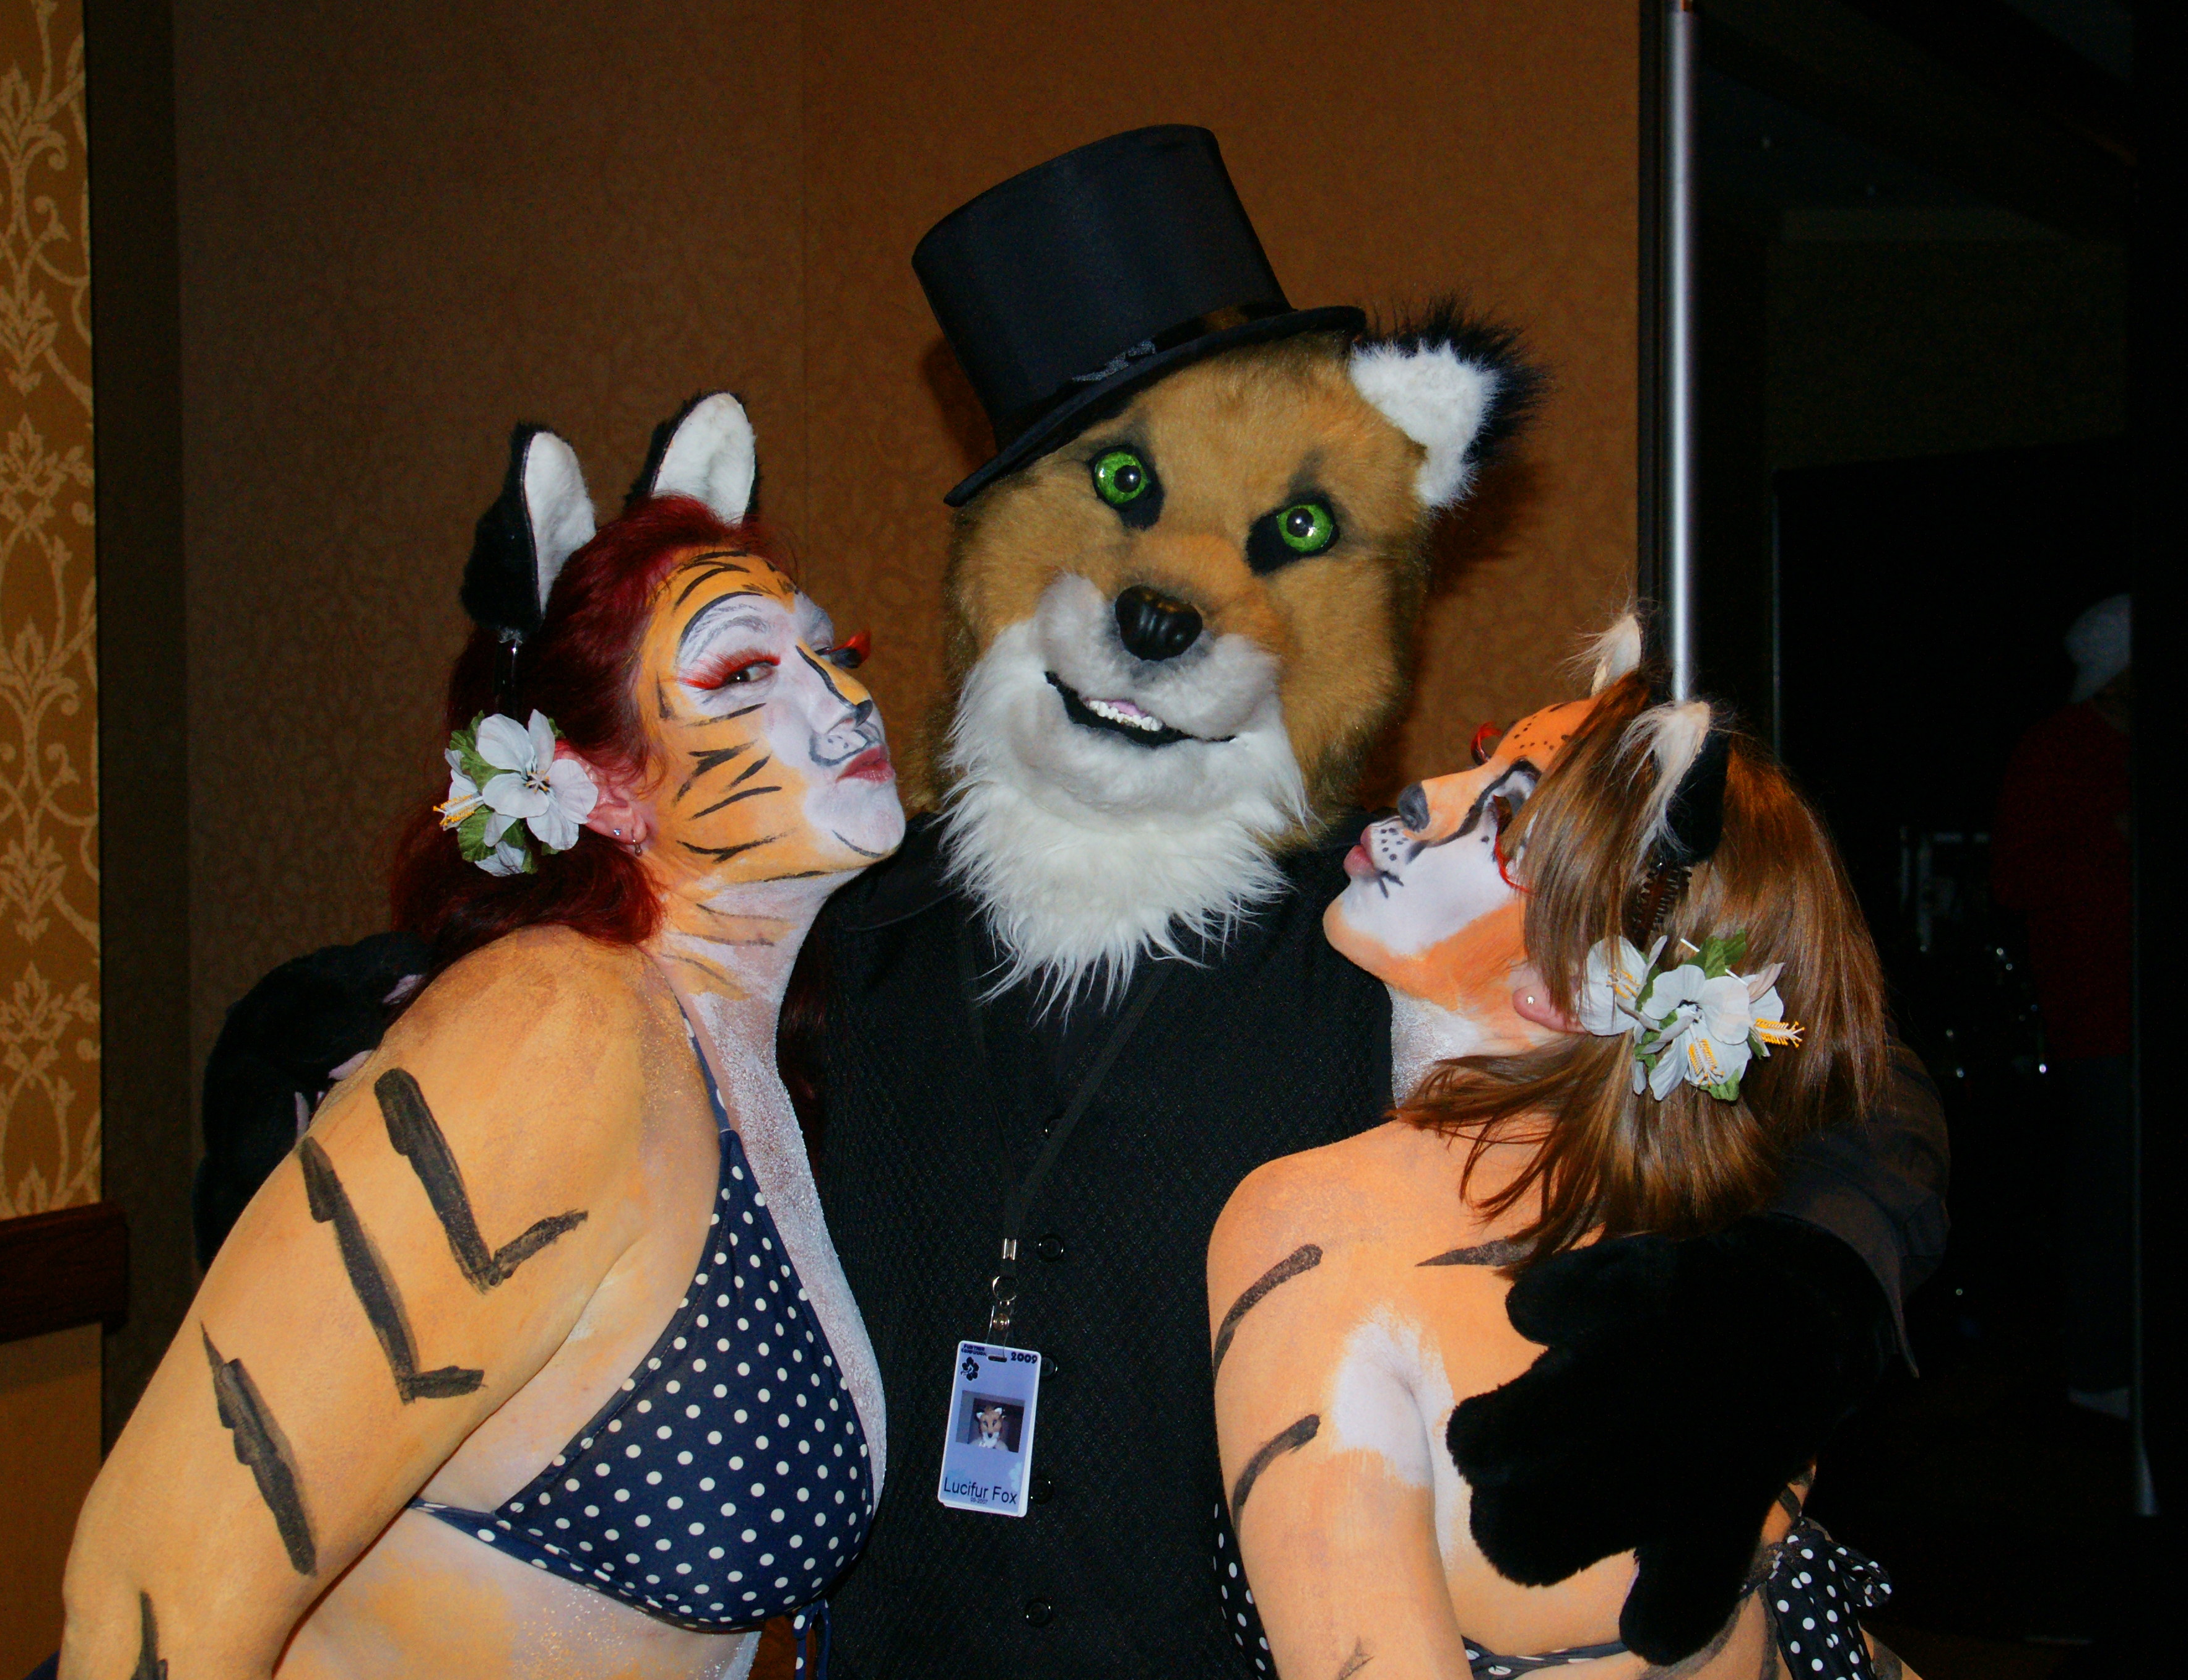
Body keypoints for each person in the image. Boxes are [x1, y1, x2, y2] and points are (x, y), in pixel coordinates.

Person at [811, 129, 1947, 1676]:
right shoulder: (836, 934)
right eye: (1119, 488)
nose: (1167, 595)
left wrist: (1798, 1290)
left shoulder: (1390, 936)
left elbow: (1831, 1068)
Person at [54, 398, 900, 1679]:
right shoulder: (552, 1031)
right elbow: (155, 1582)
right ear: (601, 785)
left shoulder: (725, 1047)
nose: (840, 698)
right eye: (742, 672)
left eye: (830, 650)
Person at [1210, 618, 1916, 1678]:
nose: (1425, 794)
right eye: (1484, 758)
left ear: (1569, 986)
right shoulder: (1705, 1225)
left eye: (1504, 817)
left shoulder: (1318, 1225)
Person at [1992, 592, 2132, 1417]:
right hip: (2100, 1011)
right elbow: (2013, 879)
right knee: (2110, 1188)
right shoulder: (2057, 749)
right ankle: (2098, 1369)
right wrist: (2112, 836)